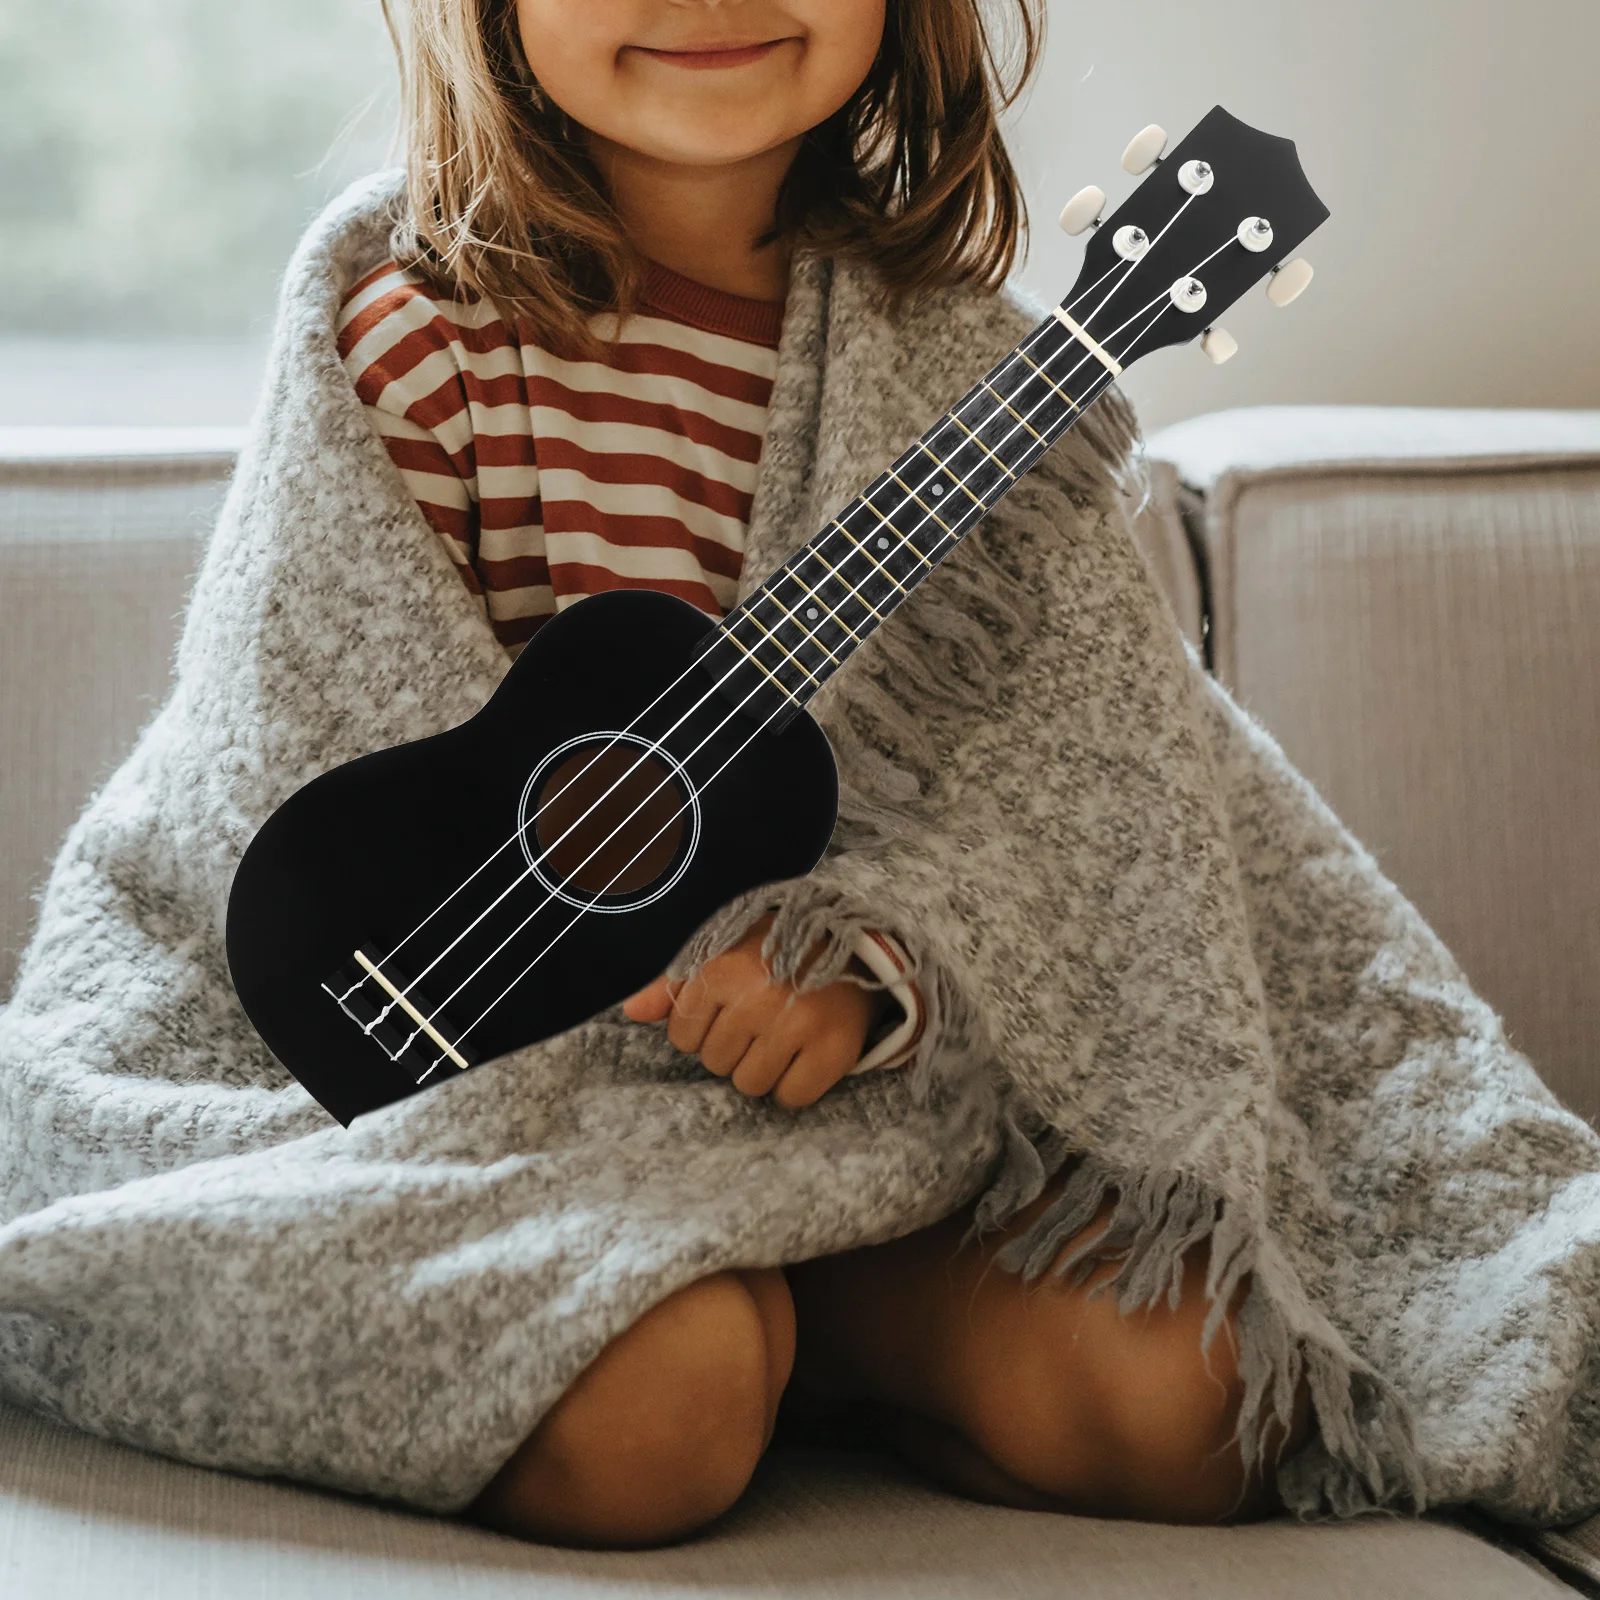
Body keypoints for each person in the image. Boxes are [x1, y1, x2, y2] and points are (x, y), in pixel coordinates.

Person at [337, 0, 1302, 1548]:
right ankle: (729, 1330)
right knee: (661, 1415)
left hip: (853, 1152)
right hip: (512, 1134)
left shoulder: (978, 393)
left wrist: (872, 967)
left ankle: (817, 1334)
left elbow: (1075, 817)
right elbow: (325, 780)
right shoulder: (420, 346)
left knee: (1198, 1396)